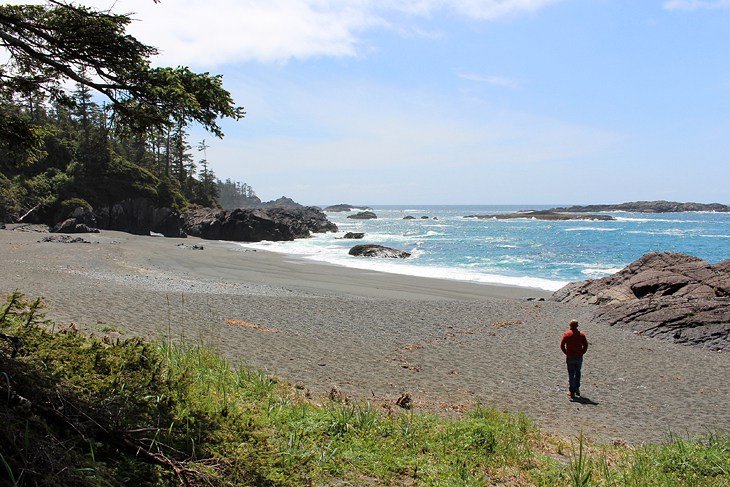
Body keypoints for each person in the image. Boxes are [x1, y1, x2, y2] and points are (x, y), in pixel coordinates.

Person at [560, 319, 588, 400]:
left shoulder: (567, 334)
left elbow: (562, 345)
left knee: (571, 373)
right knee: (578, 372)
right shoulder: (581, 335)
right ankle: (577, 388)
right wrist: (582, 352)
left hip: (570, 356)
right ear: (577, 326)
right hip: (579, 357)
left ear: (570, 326)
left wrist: (566, 353)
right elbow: (585, 345)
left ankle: (572, 391)